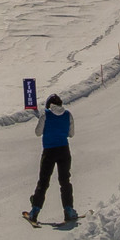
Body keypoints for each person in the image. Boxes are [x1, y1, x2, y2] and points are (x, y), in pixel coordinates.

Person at [26, 94, 76, 223]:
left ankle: (35, 211)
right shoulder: (68, 114)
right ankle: (68, 210)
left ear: (49, 104)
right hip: (64, 150)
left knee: (43, 181)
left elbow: (38, 132)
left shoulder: (46, 115)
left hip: (49, 151)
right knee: (65, 181)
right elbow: (71, 134)